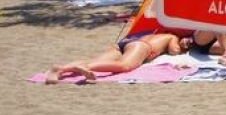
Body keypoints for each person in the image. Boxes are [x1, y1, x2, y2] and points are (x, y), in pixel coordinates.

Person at [46, 32, 189, 84]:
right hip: (141, 46)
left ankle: (60, 69)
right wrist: (184, 47)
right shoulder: (172, 36)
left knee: (97, 61)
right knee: (125, 66)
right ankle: (86, 68)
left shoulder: (154, 32)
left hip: (125, 43)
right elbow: (174, 51)